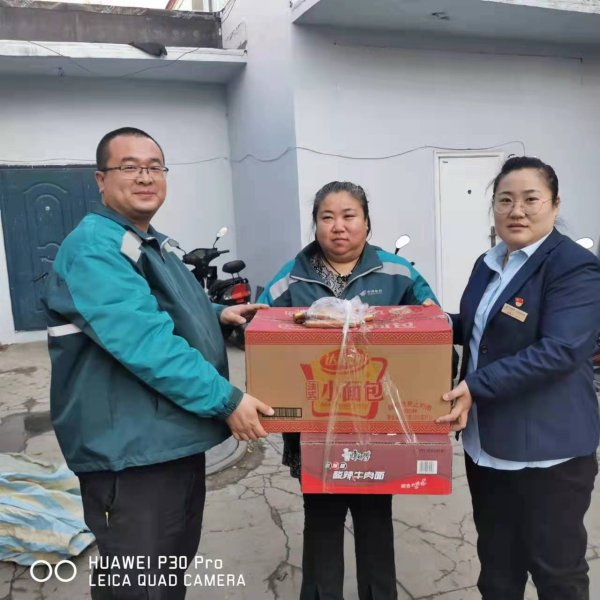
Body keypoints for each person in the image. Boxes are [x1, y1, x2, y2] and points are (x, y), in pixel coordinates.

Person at [42, 127, 273, 599]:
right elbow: (146, 342)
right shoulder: (95, 248)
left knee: (165, 576)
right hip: (130, 456)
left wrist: (217, 313)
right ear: (101, 180)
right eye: (129, 167)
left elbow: (162, 307)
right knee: (140, 584)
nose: (145, 177)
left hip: (167, 440)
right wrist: (227, 400)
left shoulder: (147, 243)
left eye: (154, 167)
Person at [259, 180, 439, 600]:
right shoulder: (291, 278)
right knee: (321, 520)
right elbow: (262, 330)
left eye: (348, 216)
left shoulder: (397, 272)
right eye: (327, 217)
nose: (338, 226)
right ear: (315, 224)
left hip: (378, 423)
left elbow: (431, 328)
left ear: (367, 223)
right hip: (314, 427)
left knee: (375, 518)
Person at [437, 156, 600, 600]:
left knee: (557, 575)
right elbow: (480, 328)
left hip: (547, 457)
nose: (517, 211)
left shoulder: (573, 266)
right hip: (486, 449)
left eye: (531, 199)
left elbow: (560, 350)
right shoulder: (489, 262)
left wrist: (475, 385)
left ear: (555, 203)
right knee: (498, 573)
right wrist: (423, 324)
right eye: (505, 200)